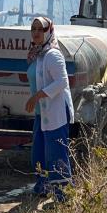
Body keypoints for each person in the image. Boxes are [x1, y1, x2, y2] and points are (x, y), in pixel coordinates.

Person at [25, 17, 74, 199]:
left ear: (49, 31)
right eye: (33, 29)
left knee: (56, 152)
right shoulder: (38, 53)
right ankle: (43, 187)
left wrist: (37, 96)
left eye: (41, 29)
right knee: (39, 152)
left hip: (55, 111)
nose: (36, 32)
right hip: (42, 112)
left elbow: (62, 82)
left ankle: (64, 194)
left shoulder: (52, 54)